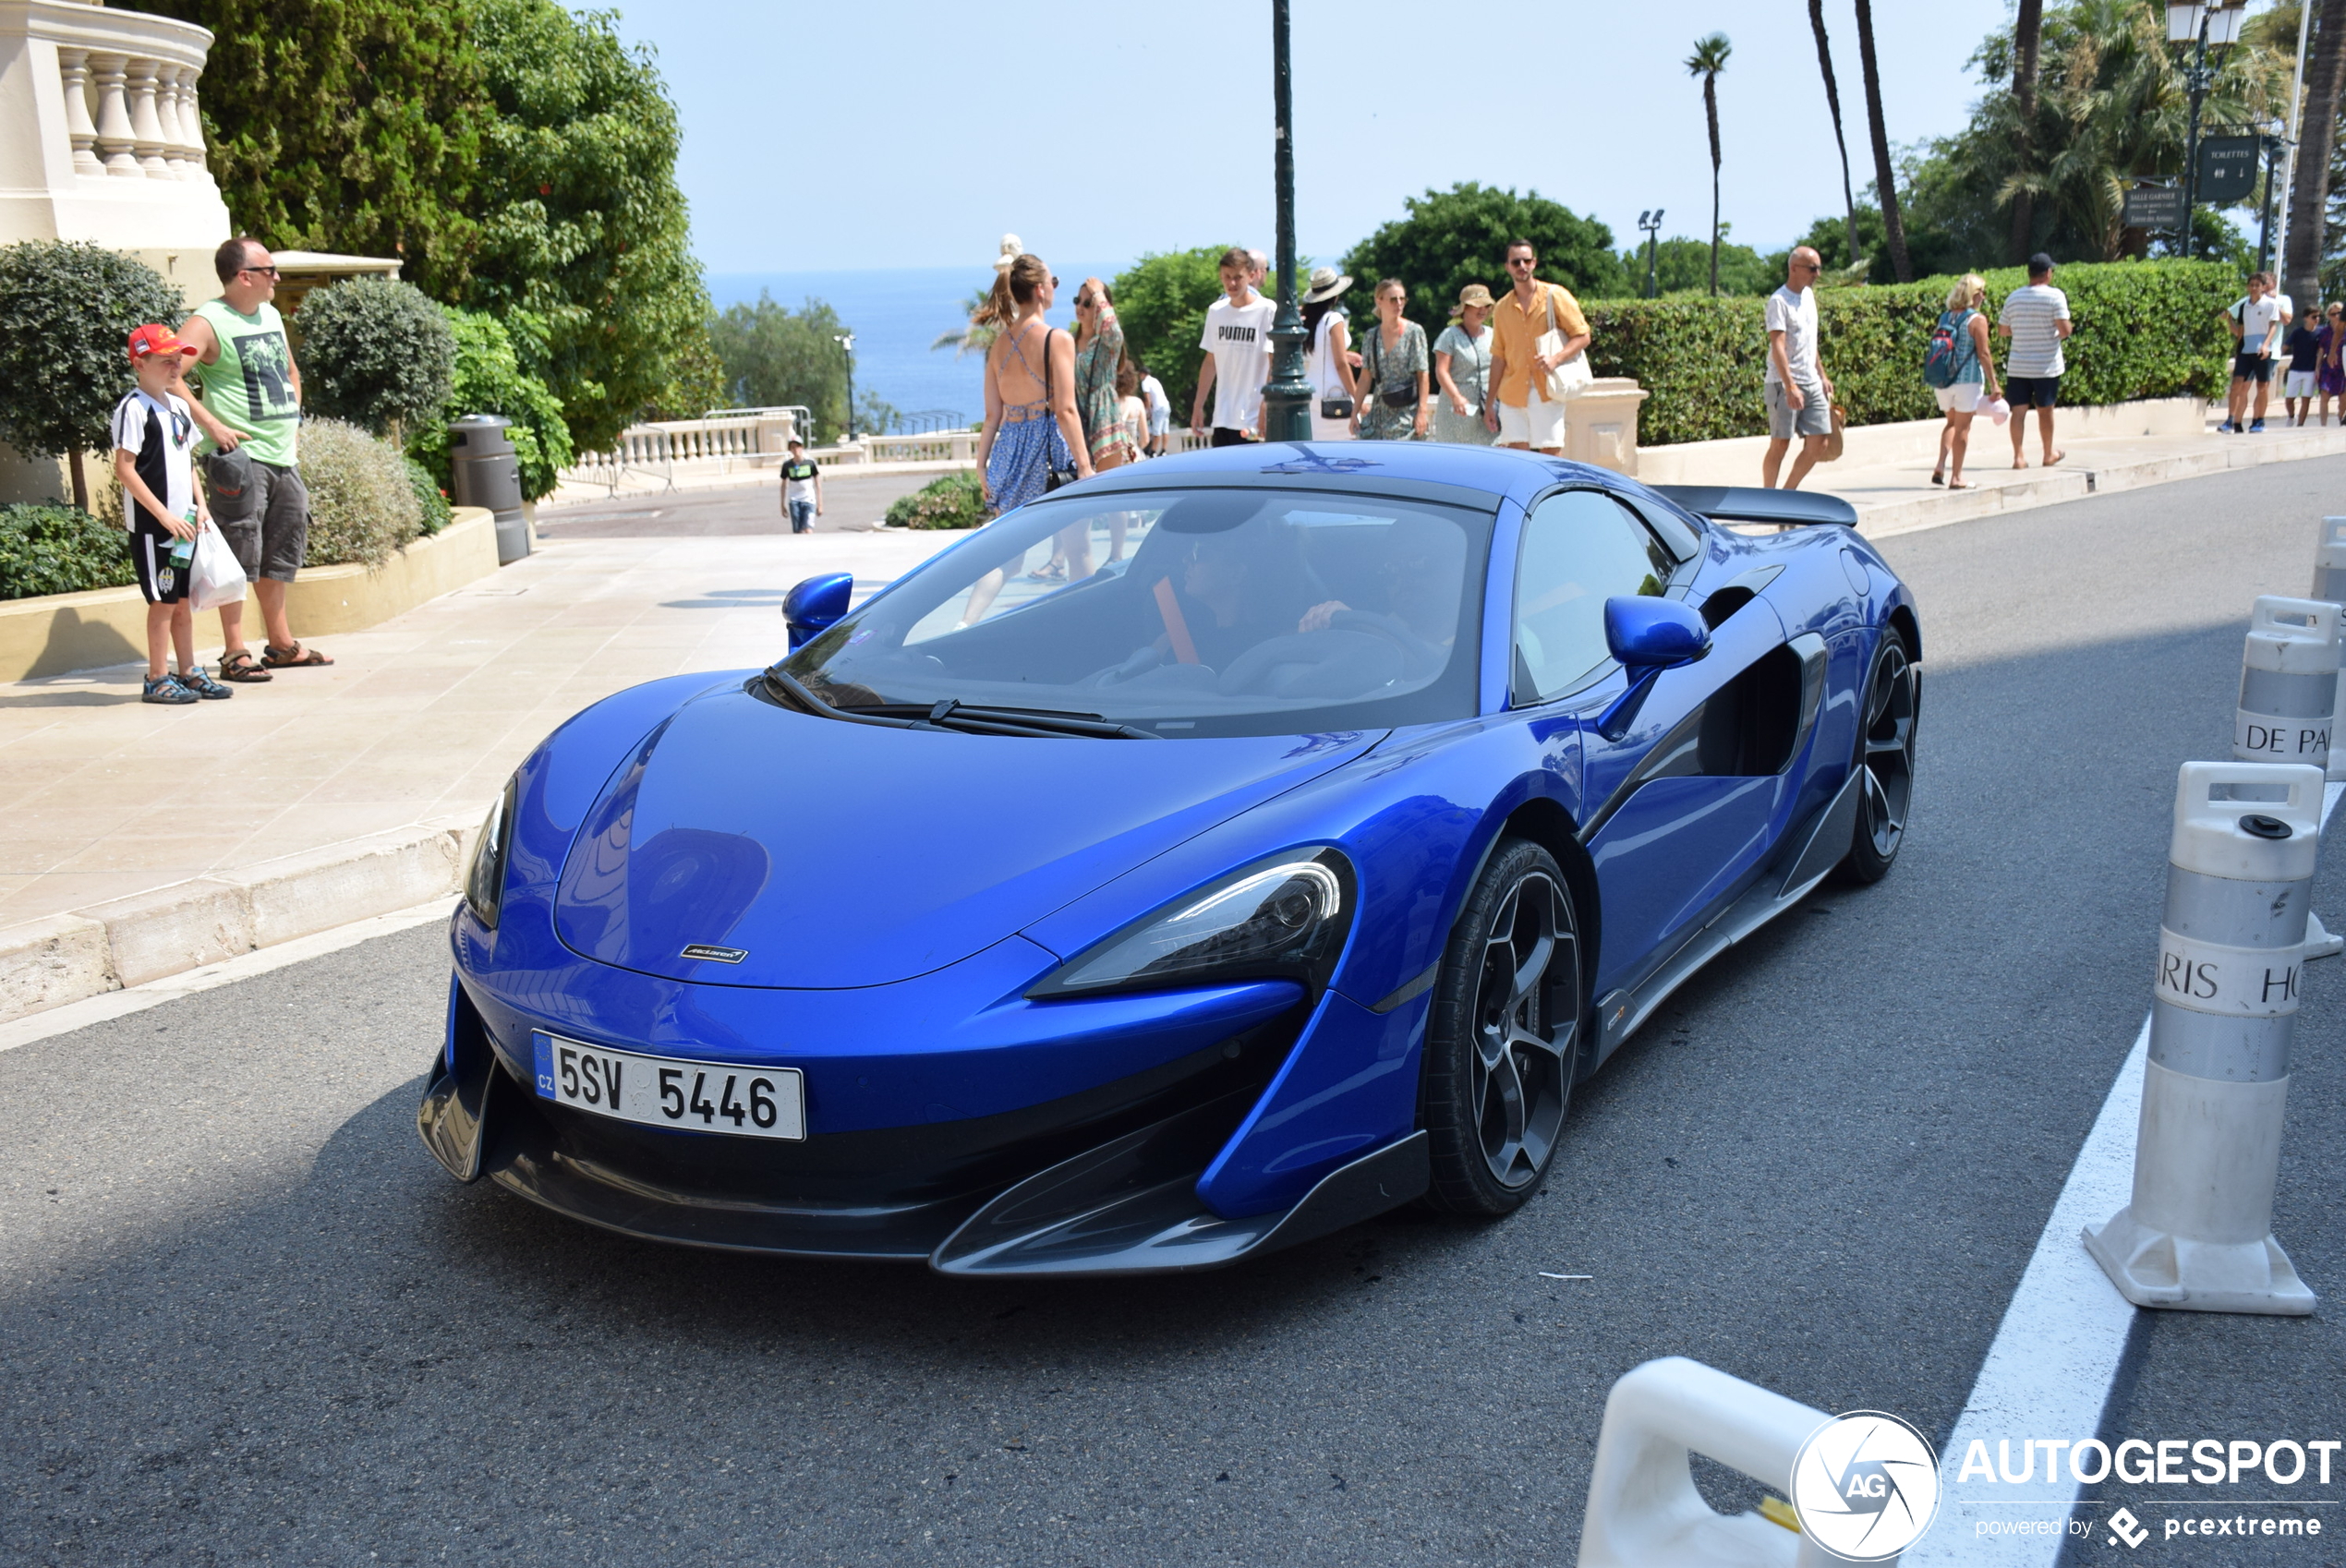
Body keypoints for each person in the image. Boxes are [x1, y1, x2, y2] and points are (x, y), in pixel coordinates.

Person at [178, 235, 332, 680]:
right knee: (239, 549)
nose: (277, 279)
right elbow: (170, 375)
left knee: (281, 550)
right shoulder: (207, 321)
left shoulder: (269, 313)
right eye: (269, 271)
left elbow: (289, 371)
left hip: (283, 455)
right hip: (239, 459)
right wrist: (213, 425)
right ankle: (234, 652)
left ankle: (281, 644)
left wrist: (294, 423)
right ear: (243, 276)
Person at [964, 253, 1092, 623]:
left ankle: (966, 621)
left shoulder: (998, 345)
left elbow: (993, 416)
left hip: (1009, 449)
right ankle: (1082, 623)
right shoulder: (1057, 339)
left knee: (1007, 557)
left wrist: (981, 464)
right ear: (1039, 290)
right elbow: (1065, 410)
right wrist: (1085, 467)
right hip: (1049, 449)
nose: (1054, 289)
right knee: (1077, 547)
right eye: (1053, 283)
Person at [115, 325, 234, 705]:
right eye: (165, 360)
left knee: (181, 600)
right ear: (139, 363)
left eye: (178, 359)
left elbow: (187, 464)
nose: (175, 366)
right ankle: (156, 677)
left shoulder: (179, 406)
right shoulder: (133, 408)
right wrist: (164, 516)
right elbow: (125, 469)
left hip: (185, 523)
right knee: (163, 601)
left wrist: (200, 506)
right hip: (155, 527)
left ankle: (188, 671)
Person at [1484, 239, 1590, 455]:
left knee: (1551, 454)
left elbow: (1582, 336)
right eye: (1516, 262)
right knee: (1516, 457)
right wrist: (1489, 404)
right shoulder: (1502, 308)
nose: (1522, 266)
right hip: (1512, 391)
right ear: (1507, 267)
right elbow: (1498, 357)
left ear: (1534, 263)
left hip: (1547, 388)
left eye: (1526, 261)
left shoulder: (1555, 295)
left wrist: (1556, 359)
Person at [1761, 247, 1834, 489]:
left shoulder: (1809, 297)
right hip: (1784, 383)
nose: (1817, 274)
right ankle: (1768, 500)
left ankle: (1788, 494)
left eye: (1819, 268)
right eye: (1812, 269)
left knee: (1820, 442)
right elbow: (1778, 346)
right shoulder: (1778, 301)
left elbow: (1808, 341)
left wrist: (1822, 375)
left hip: (1811, 381)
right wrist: (1790, 385)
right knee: (1780, 443)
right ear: (1794, 268)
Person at [1190, 246, 1275, 446]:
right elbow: (1210, 361)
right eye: (1227, 277)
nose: (1232, 283)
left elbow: (1274, 363)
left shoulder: (1267, 310)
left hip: (1254, 418)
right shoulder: (1216, 311)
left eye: (1238, 277)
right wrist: (1198, 405)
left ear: (1251, 275)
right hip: (1223, 416)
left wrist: (1267, 404)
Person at [1995, 253, 2071, 468]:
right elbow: (2065, 330)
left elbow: (2003, 331)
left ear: (2029, 273)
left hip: (2018, 365)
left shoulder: (2014, 297)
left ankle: (2018, 458)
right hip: (2046, 366)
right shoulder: (2055, 297)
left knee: (2018, 412)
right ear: (2048, 273)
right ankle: (2048, 454)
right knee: (2045, 411)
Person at [1928, 274, 2001, 490]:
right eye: (1982, 292)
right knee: (1963, 428)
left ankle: (1940, 465)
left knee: (1951, 423)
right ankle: (1956, 477)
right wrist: (1994, 383)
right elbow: (1984, 353)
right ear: (1973, 294)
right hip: (1967, 381)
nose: (1984, 297)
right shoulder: (1977, 320)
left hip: (1942, 380)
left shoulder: (1945, 318)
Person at [1352, 279, 1430, 441]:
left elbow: (1423, 375)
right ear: (1378, 301)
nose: (1399, 304)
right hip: (1378, 416)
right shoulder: (1371, 336)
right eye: (1393, 299)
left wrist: (1422, 412)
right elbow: (1365, 378)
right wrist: (1355, 412)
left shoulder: (1414, 332)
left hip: (1407, 415)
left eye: (1403, 299)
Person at [2218, 271, 2284, 435]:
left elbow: (2273, 326)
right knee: (2236, 385)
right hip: (2246, 350)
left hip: (2262, 350)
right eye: (2251, 285)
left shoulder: (2270, 304)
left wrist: (2266, 345)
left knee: (2262, 386)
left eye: (2257, 285)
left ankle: (2258, 420)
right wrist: (2229, 323)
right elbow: (2241, 330)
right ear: (2248, 287)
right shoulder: (2244, 306)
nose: (2254, 288)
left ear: (2263, 287)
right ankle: (2230, 420)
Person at [1433, 284, 1497, 446]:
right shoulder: (1449, 336)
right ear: (1465, 308)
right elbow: (1441, 370)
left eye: (1486, 306)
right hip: (1458, 410)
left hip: (1486, 408)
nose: (1482, 310)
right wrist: (1456, 397)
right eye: (1477, 306)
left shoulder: (1493, 334)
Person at [1299, 266, 1357, 441]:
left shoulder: (1308, 321)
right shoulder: (1334, 319)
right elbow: (1340, 364)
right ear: (1335, 294)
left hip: (1312, 395)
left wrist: (1347, 355)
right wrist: (1356, 395)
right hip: (1335, 396)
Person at [2282, 307, 2323, 427]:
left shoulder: (2320, 332)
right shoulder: (2297, 332)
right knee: (2289, 400)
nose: (2317, 319)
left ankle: (2300, 425)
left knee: (2306, 399)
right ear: (2306, 318)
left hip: (2310, 371)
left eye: (2318, 316)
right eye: (2314, 316)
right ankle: (2291, 416)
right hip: (2295, 369)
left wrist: (2318, 368)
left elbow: (2321, 350)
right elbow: (2285, 346)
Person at [780, 438, 821, 533]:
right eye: (793, 447)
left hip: (809, 500)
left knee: (808, 529)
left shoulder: (810, 463)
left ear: (802, 447)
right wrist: (782, 505)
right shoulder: (787, 465)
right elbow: (783, 486)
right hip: (794, 500)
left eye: (797, 446)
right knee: (798, 531)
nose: (795, 449)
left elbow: (818, 484)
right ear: (790, 449)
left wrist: (820, 504)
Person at [1137, 360, 1172, 456]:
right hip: (1166, 405)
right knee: (1165, 429)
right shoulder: (1155, 380)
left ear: (1142, 374)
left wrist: (1148, 411)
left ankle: (1153, 451)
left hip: (1158, 408)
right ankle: (1164, 450)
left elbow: (1147, 398)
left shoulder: (1145, 382)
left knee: (1157, 430)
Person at [2318, 302, 2345, 428]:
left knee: (2344, 398)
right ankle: (2323, 425)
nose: (2337, 316)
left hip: (2342, 366)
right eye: (2333, 314)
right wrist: (2317, 368)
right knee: (2324, 395)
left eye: (2339, 313)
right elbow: (2321, 350)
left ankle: (2341, 417)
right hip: (2331, 365)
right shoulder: (2325, 332)